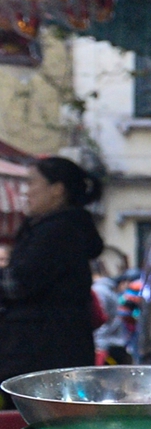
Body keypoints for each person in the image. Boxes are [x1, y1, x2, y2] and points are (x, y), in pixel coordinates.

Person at [0, 157, 105, 393]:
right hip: (41, 352)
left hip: (44, 356)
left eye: (32, 184)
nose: (26, 192)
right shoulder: (49, 227)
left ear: (57, 190)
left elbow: (19, 282)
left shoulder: (59, 231)